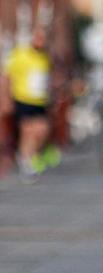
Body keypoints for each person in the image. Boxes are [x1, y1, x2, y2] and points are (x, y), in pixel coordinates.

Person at [6, 25, 54, 176]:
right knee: (28, 131)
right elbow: (7, 76)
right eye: (38, 38)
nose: (40, 41)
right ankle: (26, 159)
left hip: (40, 100)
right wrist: (6, 98)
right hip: (23, 98)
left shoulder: (44, 57)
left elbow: (46, 78)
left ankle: (31, 155)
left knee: (42, 130)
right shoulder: (20, 55)